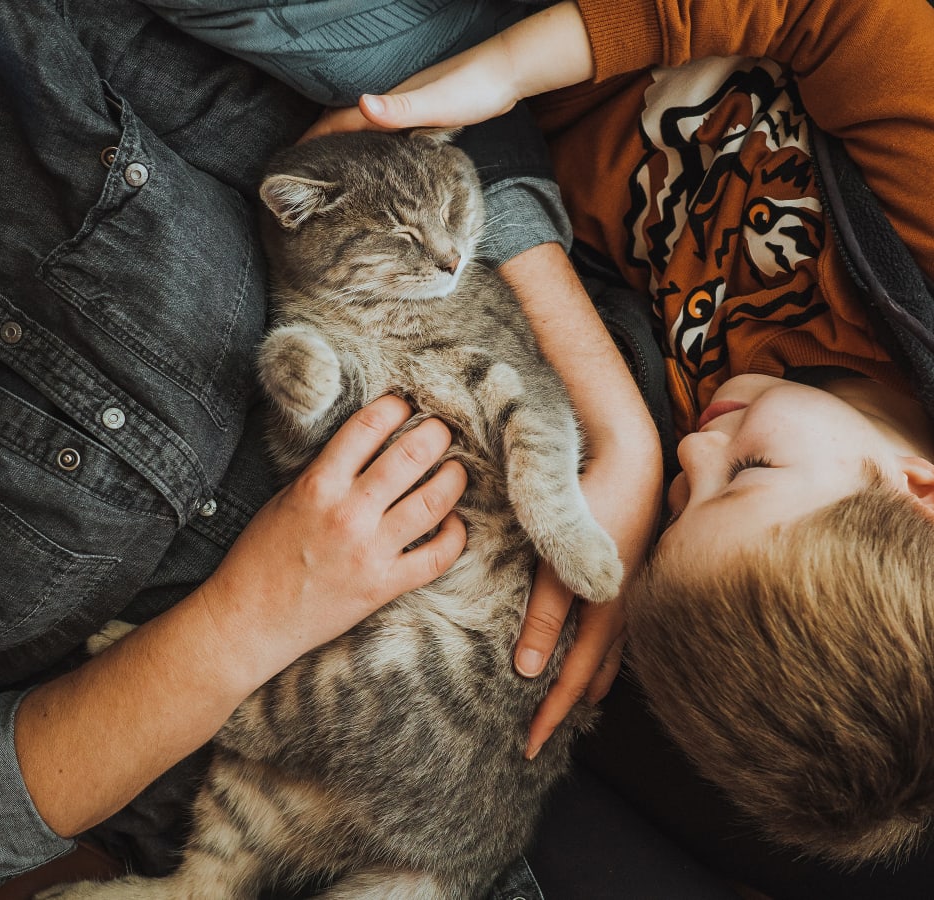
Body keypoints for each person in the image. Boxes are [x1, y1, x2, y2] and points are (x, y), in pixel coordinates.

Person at [0, 3, 662, 898]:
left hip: (508, 645)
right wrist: (239, 629)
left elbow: (424, 93)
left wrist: (620, 432)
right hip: (254, 752)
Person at [307, 0, 934, 894]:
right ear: (918, 488)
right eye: (748, 472)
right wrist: (507, 70)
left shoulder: (709, 426)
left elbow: (513, 229)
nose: (695, 458)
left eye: (680, 509)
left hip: (472, 107)